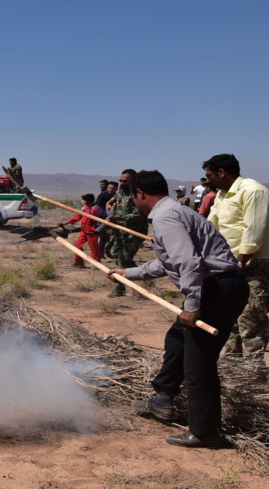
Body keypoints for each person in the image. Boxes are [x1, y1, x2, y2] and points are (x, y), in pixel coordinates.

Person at [107, 170, 248, 448]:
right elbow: (167, 263)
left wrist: (193, 305)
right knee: (177, 341)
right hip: (218, 286)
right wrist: (128, 272)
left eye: (132, 195)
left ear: (140, 194)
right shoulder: (171, 211)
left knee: (199, 363)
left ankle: (205, 432)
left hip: (217, 289)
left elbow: (189, 263)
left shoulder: (165, 217)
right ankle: (163, 399)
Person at [203, 154, 269, 357]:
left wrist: (239, 264)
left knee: (250, 319)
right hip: (227, 264)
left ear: (221, 173)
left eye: (210, 175)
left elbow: (254, 233)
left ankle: (253, 371)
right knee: (228, 316)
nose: (208, 180)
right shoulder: (222, 194)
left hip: (253, 264)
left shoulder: (253, 191)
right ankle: (233, 366)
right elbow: (212, 225)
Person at [107, 169, 149, 297]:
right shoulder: (121, 193)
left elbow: (137, 215)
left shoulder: (138, 195)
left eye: (125, 181)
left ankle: (121, 288)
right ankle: (144, 276)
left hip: (134, 232)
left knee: (124, 259)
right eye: (120, 180)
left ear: (132, 180)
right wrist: (108, 206)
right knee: (116, 255)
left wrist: (119, 217)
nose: (122, 183)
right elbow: (110, 201)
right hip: (120, 231)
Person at [58, 193, 104, 268]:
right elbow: (77, 217)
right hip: (84, 231)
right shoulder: (84, 208)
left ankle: (97, 264)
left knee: (94, 248)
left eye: (83, 200)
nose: (81, 201)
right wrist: (65, 223)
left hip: (92, 232)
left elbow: (91, 215)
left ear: (87, 201)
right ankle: (79, 262)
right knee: (78, 246)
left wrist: (85, 207)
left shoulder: (96, 208)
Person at [96, 181, 118, 259]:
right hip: (104, 219)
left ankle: (108, 249)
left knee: (117, 235)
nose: (110, 190)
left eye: (113, 188)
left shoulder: (117, 197)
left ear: (116, 189)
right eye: (109, 188)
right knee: (103, 238)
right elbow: (97, 207)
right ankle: (101, 254)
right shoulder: (102, 196)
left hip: (114, 219)